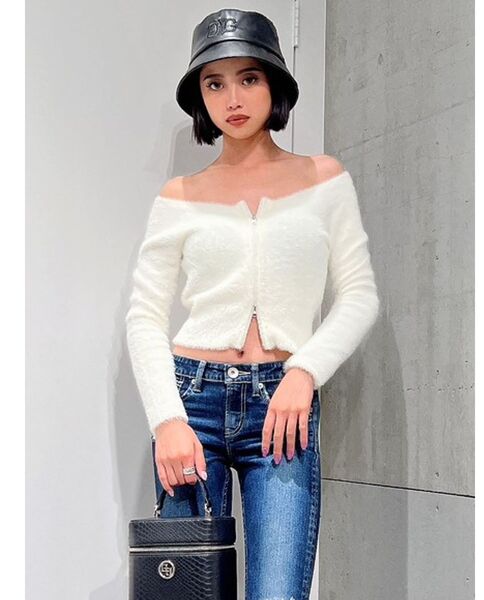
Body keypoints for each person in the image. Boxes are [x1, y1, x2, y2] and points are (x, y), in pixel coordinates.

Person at [125, 8, 379, 599]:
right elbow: (144, 316)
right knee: (189, 593)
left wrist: (304, 372)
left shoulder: (323, 180)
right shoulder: (179, 196)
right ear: (200, 97)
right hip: (191, 404)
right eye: (214, 83)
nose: (232, 98)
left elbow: (359, 294)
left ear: (274, 84)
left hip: (281, 411)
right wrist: (167, 419)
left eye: (248, 78)